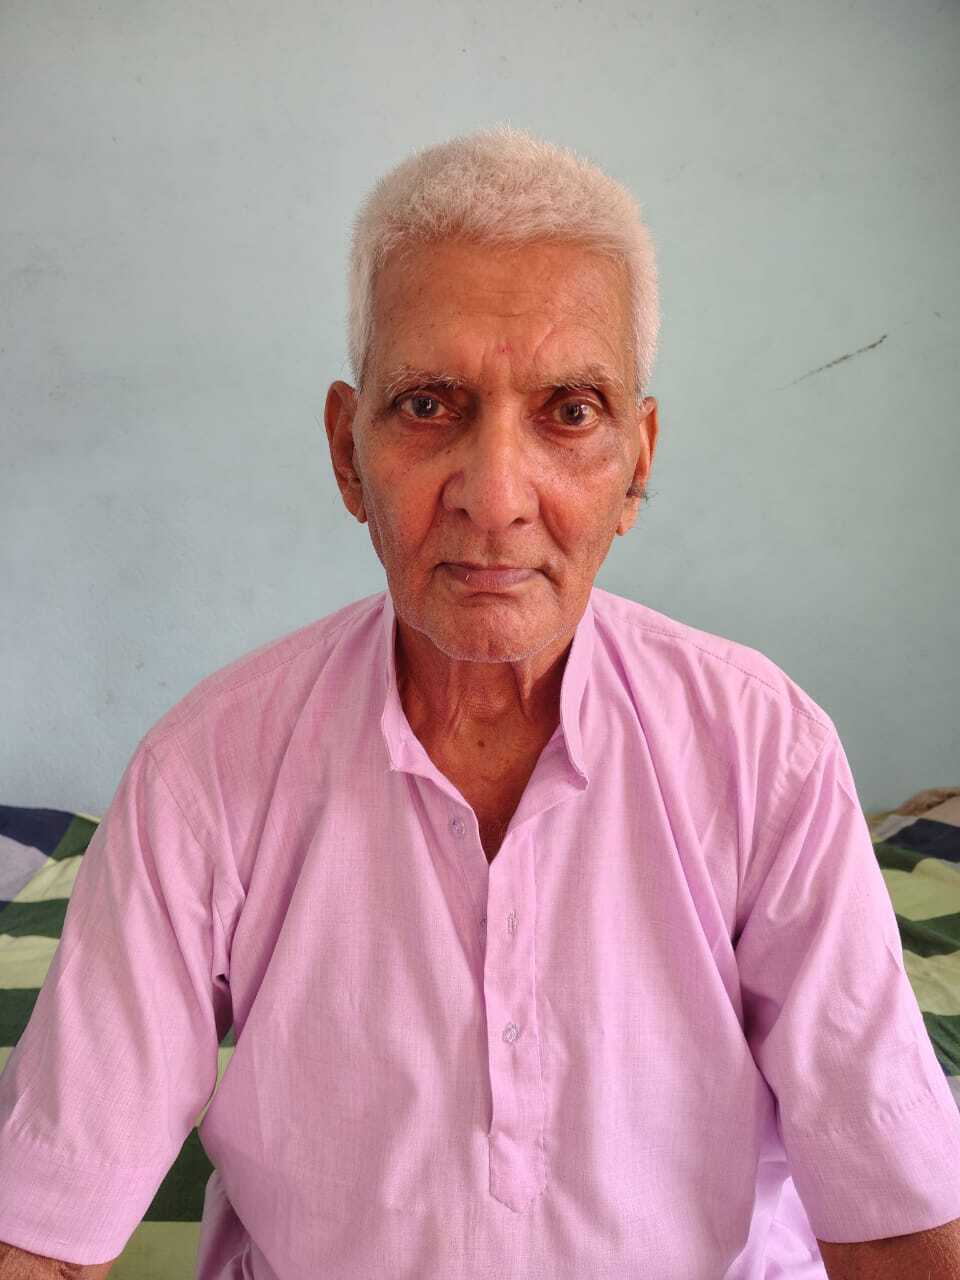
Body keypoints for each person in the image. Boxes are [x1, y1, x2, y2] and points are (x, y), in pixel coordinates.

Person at [2, 124, 959, 1280]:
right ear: (348, 455)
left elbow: (897, 1220)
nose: (497, 496)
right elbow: (42, 1228)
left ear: (637, 461)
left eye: (570, 411)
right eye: (428, 404)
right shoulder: (204, 770)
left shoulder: (766, 751)